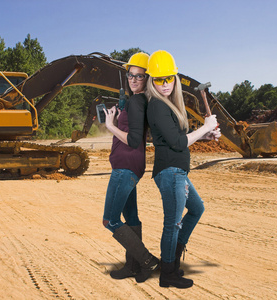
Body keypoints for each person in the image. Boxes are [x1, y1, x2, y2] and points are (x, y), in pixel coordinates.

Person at [145, 50, 221, 289]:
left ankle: (174, 256)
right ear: (151, 81)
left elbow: (179, 138)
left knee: (197, 209)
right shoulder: (157, 106)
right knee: (173, 223)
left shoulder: (169, 106)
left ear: (175, 79)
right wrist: (206, 125)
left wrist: (206, 134)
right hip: (169, 172)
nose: (165, 84)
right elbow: (178, 144)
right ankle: (168, 273)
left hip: (177, 171)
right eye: (159, 79)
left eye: (168, 78)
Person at [102, 52, 159, 283]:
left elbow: (134, 139)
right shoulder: (140, 100)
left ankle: (147, 260)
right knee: (131, 217)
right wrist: (118, 116)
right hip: (133, 166)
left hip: (125, 167)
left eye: (139, 76)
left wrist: (109, 125)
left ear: (148, 79)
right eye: (130, 75)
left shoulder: (137, 101)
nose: (133, 79)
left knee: (110, 221)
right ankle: (133, 266)